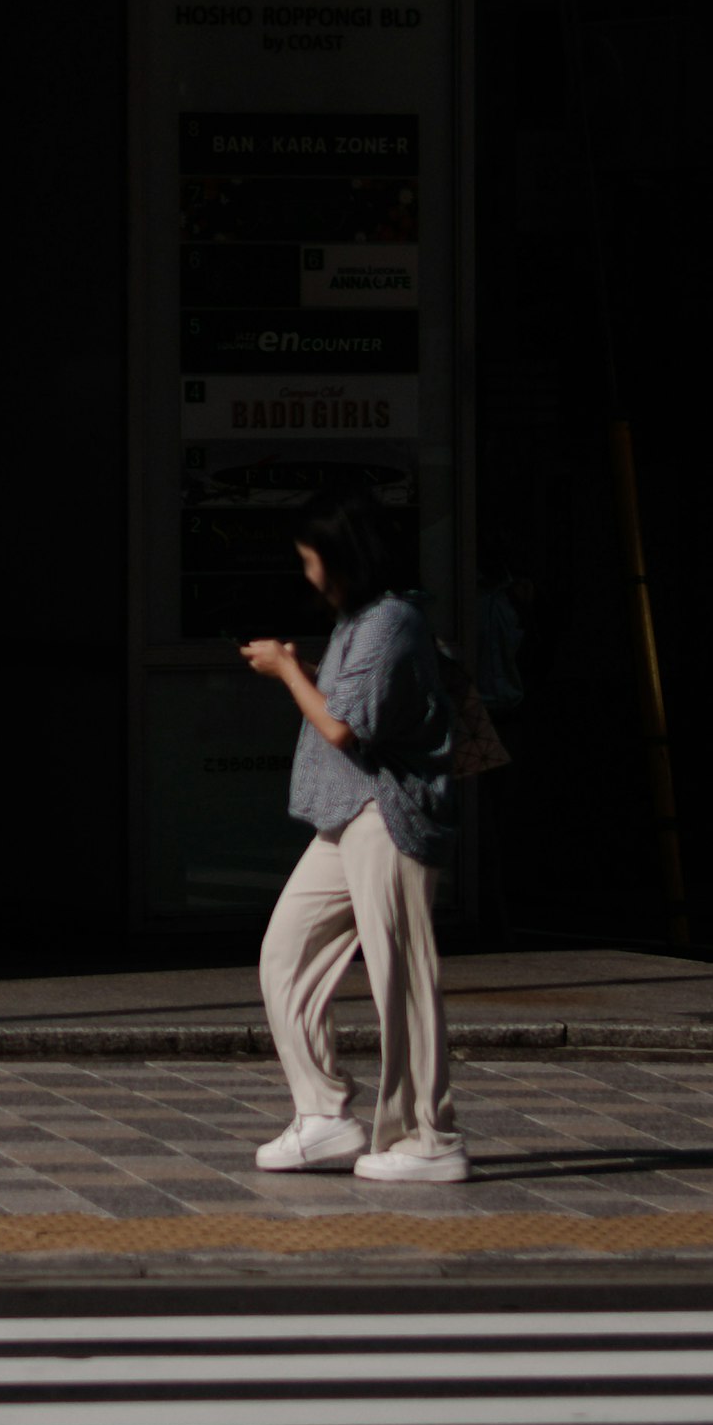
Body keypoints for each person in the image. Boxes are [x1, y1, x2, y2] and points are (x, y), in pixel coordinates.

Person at [240, 490, 467, 1185]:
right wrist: (302, 670)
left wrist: (286, 673)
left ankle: (430, 1135)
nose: (309, 575)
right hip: (348, 816)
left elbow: (343, 728)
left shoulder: (392, 620)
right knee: (287, 949)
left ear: (344, 559)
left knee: (401, 977)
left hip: (388, 814)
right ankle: (324, 1112)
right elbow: (348, 709)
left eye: (313, 561)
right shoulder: (361, 620)